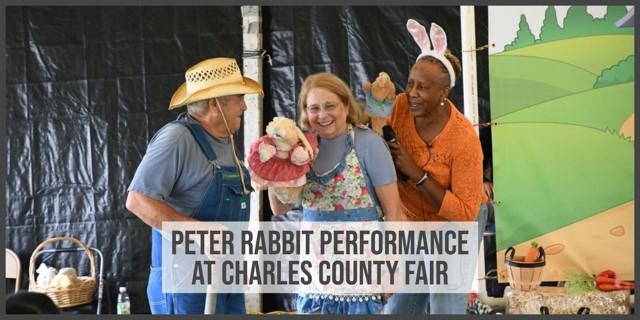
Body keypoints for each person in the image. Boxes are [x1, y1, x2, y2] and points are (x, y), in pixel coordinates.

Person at [126, 57, 263, 314]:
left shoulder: (225, 143)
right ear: (215, 103)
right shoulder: (177, 138)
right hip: (184, 283)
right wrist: (198, 231)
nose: (244, 106)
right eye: (239, 98)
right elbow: (137, 200)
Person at [269, 72, 402, 314]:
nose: (322, 115)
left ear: (346, 106)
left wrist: (391, 269)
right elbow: (279, 208)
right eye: (314, 108)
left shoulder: (369, 144)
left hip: (363, 281)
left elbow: (394, 212)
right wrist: (274, 165)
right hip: (316, 283)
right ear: (305, 112)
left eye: (330, 106)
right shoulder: (301, 150)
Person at [383, 19, 488, 315]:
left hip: (455, 224)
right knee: (400, 307)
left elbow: (466, 212)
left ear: (444, 92)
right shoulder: (400, 107)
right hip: (412, 220)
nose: (412, 93)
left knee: (445, 306)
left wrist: (417, 175)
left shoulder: (464, 139)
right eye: (410, 83)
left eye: (423, 87)